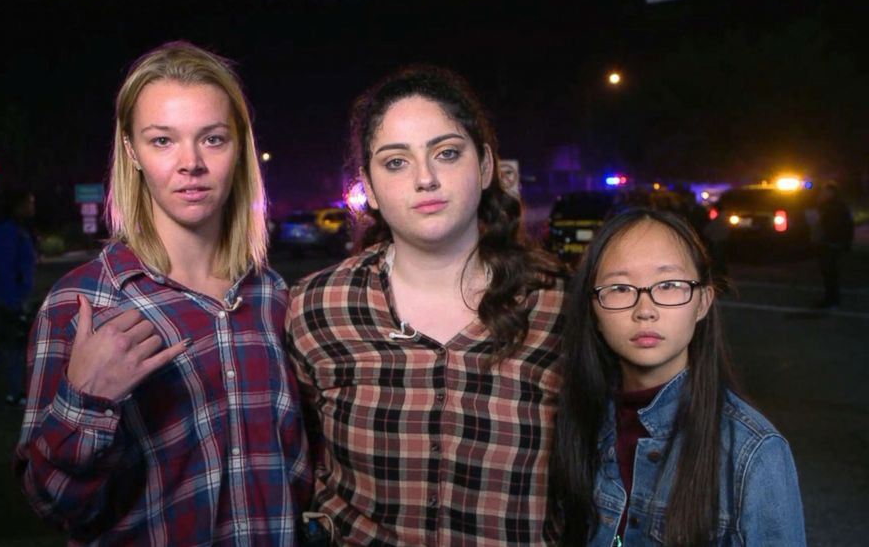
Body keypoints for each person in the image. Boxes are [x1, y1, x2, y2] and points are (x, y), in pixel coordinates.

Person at [14, 41, 311, 544]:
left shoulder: (272, 297)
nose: (191, 162)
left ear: (239, 148)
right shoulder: (83, 303)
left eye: (213, 139)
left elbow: (302, 475)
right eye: (162, 141)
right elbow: (52, 503)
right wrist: (86, 402)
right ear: (131, 151)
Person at [287, 65, 566, 545]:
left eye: (447, 153)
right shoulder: (316, 307)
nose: (425, 178)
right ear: (369, 189)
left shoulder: (559, 301)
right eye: (396, 162)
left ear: (484, 166)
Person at [548, 208, 805, 546]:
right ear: (593, 309)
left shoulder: (753, 452)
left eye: (668, 285)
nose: (645, 310)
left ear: (702, 302)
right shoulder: (578, 422)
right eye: (621, 288)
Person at [0, 190, 37, 407]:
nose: (33, 206)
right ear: (17, 205)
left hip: (9, 295)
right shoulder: (8, 230)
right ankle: (16, 391)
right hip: (6, 297)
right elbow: (4, 267)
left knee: (5, 342)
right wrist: (14, 301)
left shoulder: (16, 229)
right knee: (15, 344)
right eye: (29, 202)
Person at [813, 180, 854, 308]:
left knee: (830, 272)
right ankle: (831, 298)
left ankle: (831, 299)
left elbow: (839, 226)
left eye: (825, 191)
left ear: (831, 193)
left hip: (832, 243)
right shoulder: (832, 206)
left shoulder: (836, 207)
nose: (822, 193)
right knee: (829, 272)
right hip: (831, 242)